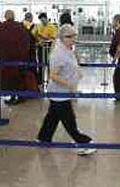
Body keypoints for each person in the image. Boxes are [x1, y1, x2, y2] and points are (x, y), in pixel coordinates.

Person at [37, 24, 96, 156]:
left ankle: (43, 138)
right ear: (61, 38)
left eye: (74, 35)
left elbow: (73, 64)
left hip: (63, 93)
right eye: (69, 36)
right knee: (70, 123)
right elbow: (52, 75)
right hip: (60, 94)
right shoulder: (58, 54)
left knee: (52, 117)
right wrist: (69, 85)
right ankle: (84, 143)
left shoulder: (68, 49)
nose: (72, 39)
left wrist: (78, 72)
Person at [0, 10, 32, 105]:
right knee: (19, 77)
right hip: (19, 58)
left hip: (6, 59)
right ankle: (21, 96)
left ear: (5, 17)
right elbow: (27, 40)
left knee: (9, 79)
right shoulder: (20, 26)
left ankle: (12, 96)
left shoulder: (1, 27)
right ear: (14, 16)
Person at [37, 13, 58, 88]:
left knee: (49, 65)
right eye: (41, 20)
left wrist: (44, 37)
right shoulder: (39, 26)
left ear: (46, 18)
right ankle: (40, 82)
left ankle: (50, 81)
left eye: (43, 20)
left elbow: (53, 38)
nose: (42, 22)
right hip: (41, 48)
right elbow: (37, 36)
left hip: (49, 48)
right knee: (40, 65)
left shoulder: (52, 27)